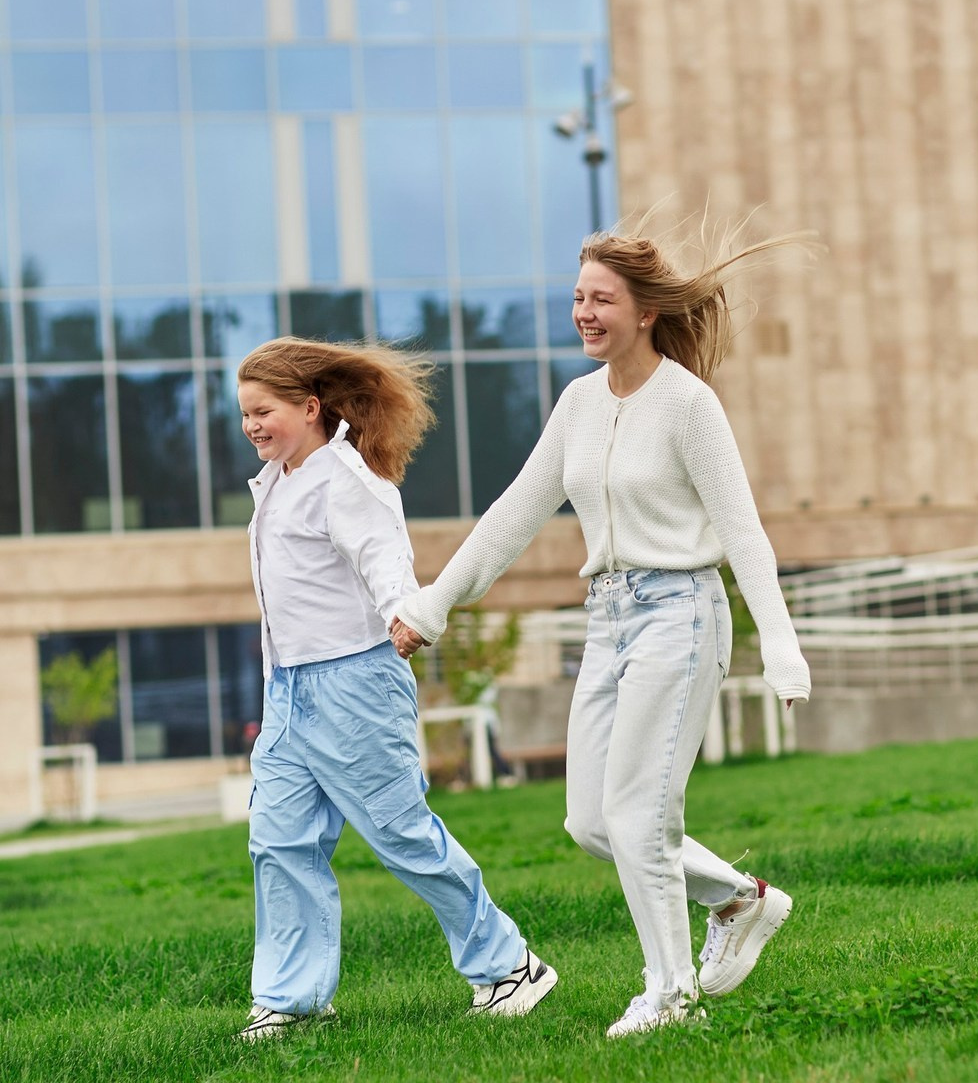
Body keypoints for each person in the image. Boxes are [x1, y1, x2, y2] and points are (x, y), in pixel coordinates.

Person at [391, 220, 812, 1038]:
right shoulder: (578, 404)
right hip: (608, 621)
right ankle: (739, 899)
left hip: (681, 616)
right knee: (591, 822)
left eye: (601, 299)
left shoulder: (689, 404)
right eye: (578, 297)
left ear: (646, 310)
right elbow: (513, 516)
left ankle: (670, 995)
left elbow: (745, 531)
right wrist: (432, 603)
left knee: (637, 820)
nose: (584, 312)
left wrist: (782, 647)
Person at [236, 337, 557, 1041]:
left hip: (355, 683)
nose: (251, 426)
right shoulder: (280, 482)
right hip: (288, 692)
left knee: (402, 835)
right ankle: (292, 1001)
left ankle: (509, 966)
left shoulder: (344, 479)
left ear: (310, 407)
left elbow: (384, 554)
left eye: (263, 411)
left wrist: (404, 610)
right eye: (245, 415)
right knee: (280, 842)